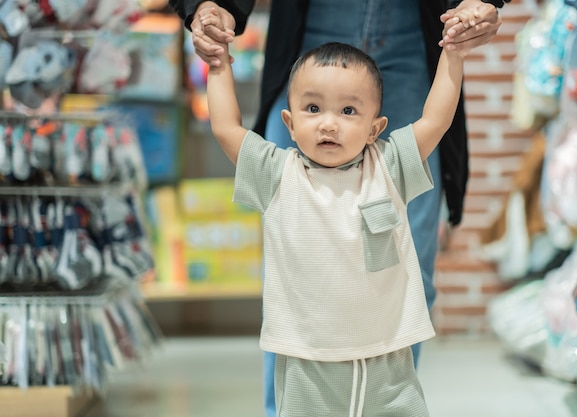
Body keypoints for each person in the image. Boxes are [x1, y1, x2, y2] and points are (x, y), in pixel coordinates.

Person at [169, 0, 507, 415]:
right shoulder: (276, 172)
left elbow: (435, 120)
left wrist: (452, 56)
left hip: (387, 362)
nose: (329, 123)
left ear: (376, 128)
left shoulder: (390, 164)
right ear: (289, 124)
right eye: (313, 109)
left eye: (348, 111)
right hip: (305, 363)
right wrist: (218, 63)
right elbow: (226, 127)